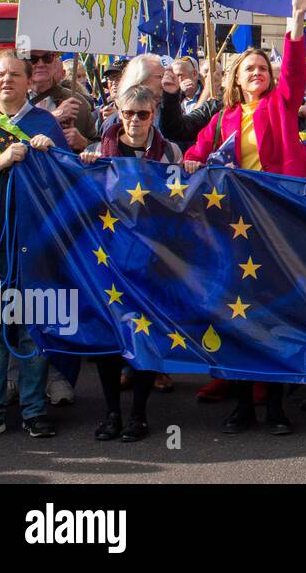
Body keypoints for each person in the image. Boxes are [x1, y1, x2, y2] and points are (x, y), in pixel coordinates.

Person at [182, 0, 306, 436]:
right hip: (234, 229)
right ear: (236, 79)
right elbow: (195, 156)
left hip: (277, 222)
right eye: (249, 69)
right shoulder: (221, 120)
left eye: (263, 67)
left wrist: (295, 20)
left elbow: (296, 72)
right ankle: (243, 403)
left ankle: (276, 406)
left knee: (277, 313)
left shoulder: (282, 105)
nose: (257, 73)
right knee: (236, 313)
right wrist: (188, 163)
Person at [77, 84, 182, 439]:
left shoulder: (169, 153)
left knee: (144, 334)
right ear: (117, 112)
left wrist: (191, 168)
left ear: (154, 113)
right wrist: (80, 162)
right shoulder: (97, 151)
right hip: (109, 259)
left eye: (143, 114)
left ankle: (138, 413)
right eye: (127, 114)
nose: (134, 121)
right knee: (109, 337)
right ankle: (110, 413)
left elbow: (184, 201)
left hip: (152, 261)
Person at [0, 49, 68, 442]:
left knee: (32, 331)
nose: (6, 81)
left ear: (30, 81)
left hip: (35, 247)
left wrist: (53, 156)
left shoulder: (45, 122)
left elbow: (69, 184)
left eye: (14, 74)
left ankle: (34, 410)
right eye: (0, 75)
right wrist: (2, 160)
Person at [27, 49, 96, 151]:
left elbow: (100, 148)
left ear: (55, 62)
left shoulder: (76, 101)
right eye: (33, 59)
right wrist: (52, 118)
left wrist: (83, 143)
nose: (41, 64)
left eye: (47, 58)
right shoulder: (13, 99)